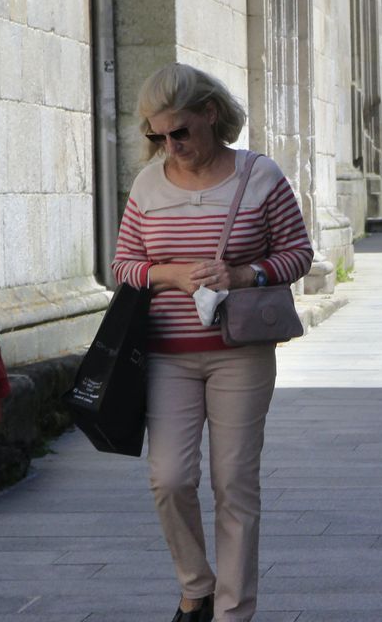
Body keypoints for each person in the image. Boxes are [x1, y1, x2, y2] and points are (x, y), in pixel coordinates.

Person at [112, 63, 315, 622]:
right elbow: (124, 265)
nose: (171, 145)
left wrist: (245, 276)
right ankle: (195, 584)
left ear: (210, 114)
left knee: (235, 485)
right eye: (159, 136)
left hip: (241, 353)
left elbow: (299, 253)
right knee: (170, 478)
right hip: (166, 357)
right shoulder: (149, 185)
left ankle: (232, 612)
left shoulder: (260, 175)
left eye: (181, 132)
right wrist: (171, 276)